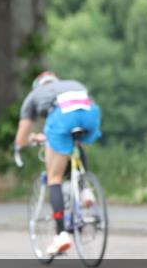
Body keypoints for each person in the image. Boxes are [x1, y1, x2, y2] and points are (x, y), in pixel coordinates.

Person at [14, 71, 102, 256]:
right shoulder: (72, 84)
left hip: (62, 117)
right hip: (90, 113)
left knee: (54, 177)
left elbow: (21, 139)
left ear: (39, 85)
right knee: (74, 143)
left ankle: (61, 234)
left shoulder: (34, 96)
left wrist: (26, 143)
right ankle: (85, 189)